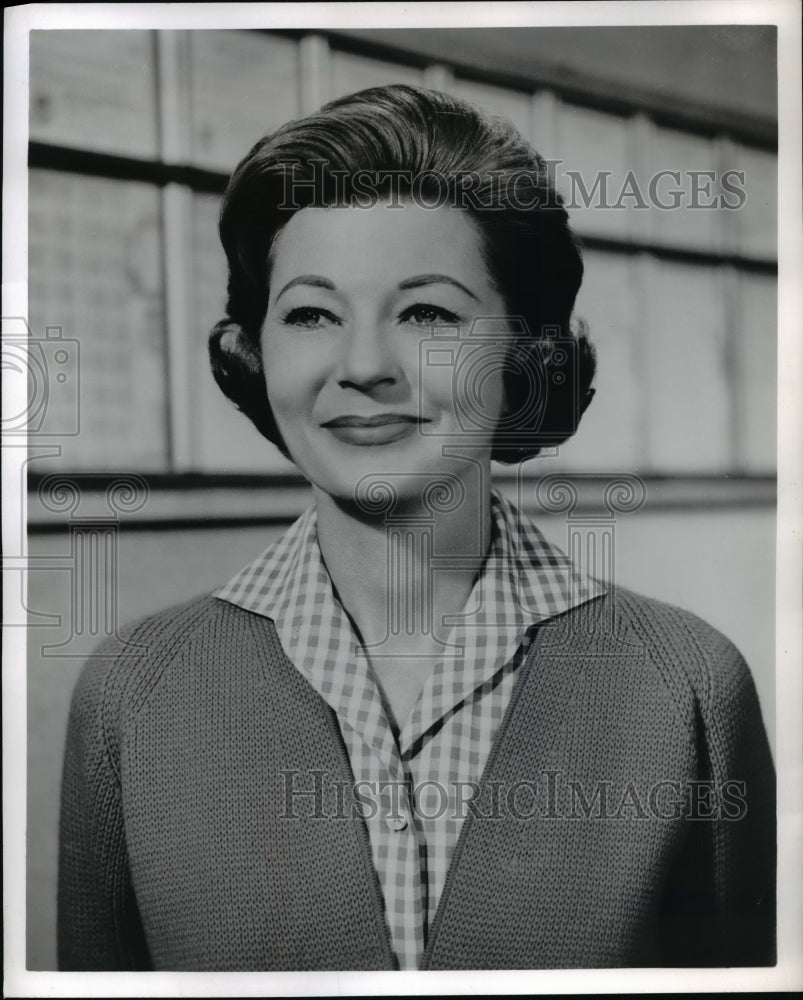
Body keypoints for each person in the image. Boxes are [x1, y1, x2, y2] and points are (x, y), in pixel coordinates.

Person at [58, 84, 775, 972]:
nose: (362, 366)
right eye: (312, 314)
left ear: (523, 352)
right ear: (254, 349)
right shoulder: (132, 695)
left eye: (427, 313)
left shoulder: (686, 685)